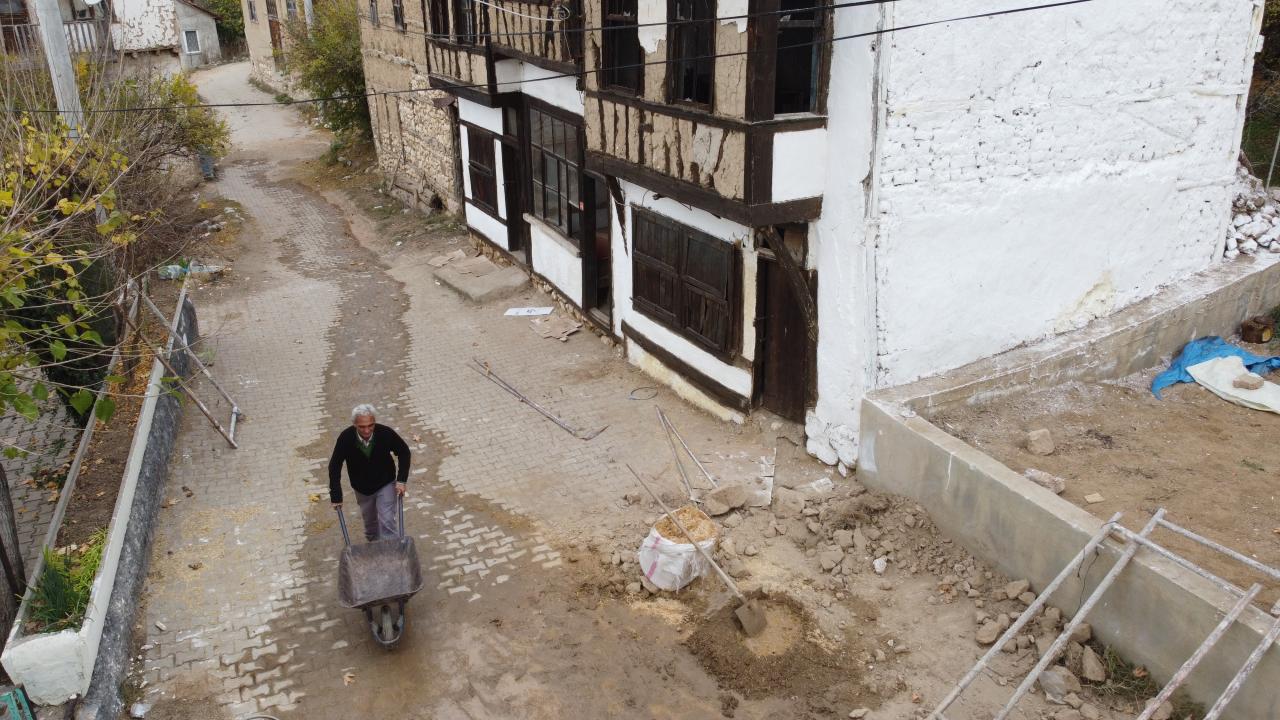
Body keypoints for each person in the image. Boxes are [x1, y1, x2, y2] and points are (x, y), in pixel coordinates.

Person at [328, 404, 411, 541]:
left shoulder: (385, 433)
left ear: (374, 422)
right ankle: (374, 550)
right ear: (354, 424)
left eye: (370, 425)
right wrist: (336, 495)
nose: (367, 430)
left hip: (385, 483)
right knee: (370, 524)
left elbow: (404, 452)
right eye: (362, 426)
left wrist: (401, 480)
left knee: (387, 521)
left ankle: (391, 555)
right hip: (362, 488)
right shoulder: (346, 438)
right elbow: (334, 466)